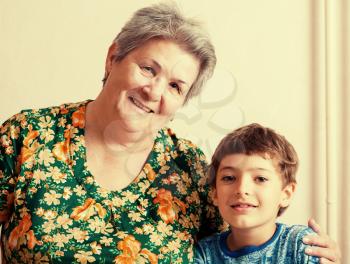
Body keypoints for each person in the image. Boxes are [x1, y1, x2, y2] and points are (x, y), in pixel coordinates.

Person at [0, 2, 340, 263]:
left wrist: (310, 251)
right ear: (113, 57)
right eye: (148, 69)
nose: (155, 92)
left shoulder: (190, 167)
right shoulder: (26, 137)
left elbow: (235, 246)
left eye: (176, 86)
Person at [194, 123, 320, 263]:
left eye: (260, 178)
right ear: (215, 193)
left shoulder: (302, 245)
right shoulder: (204, 254)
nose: (242, 189)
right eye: (229, 178)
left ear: (286, 194)